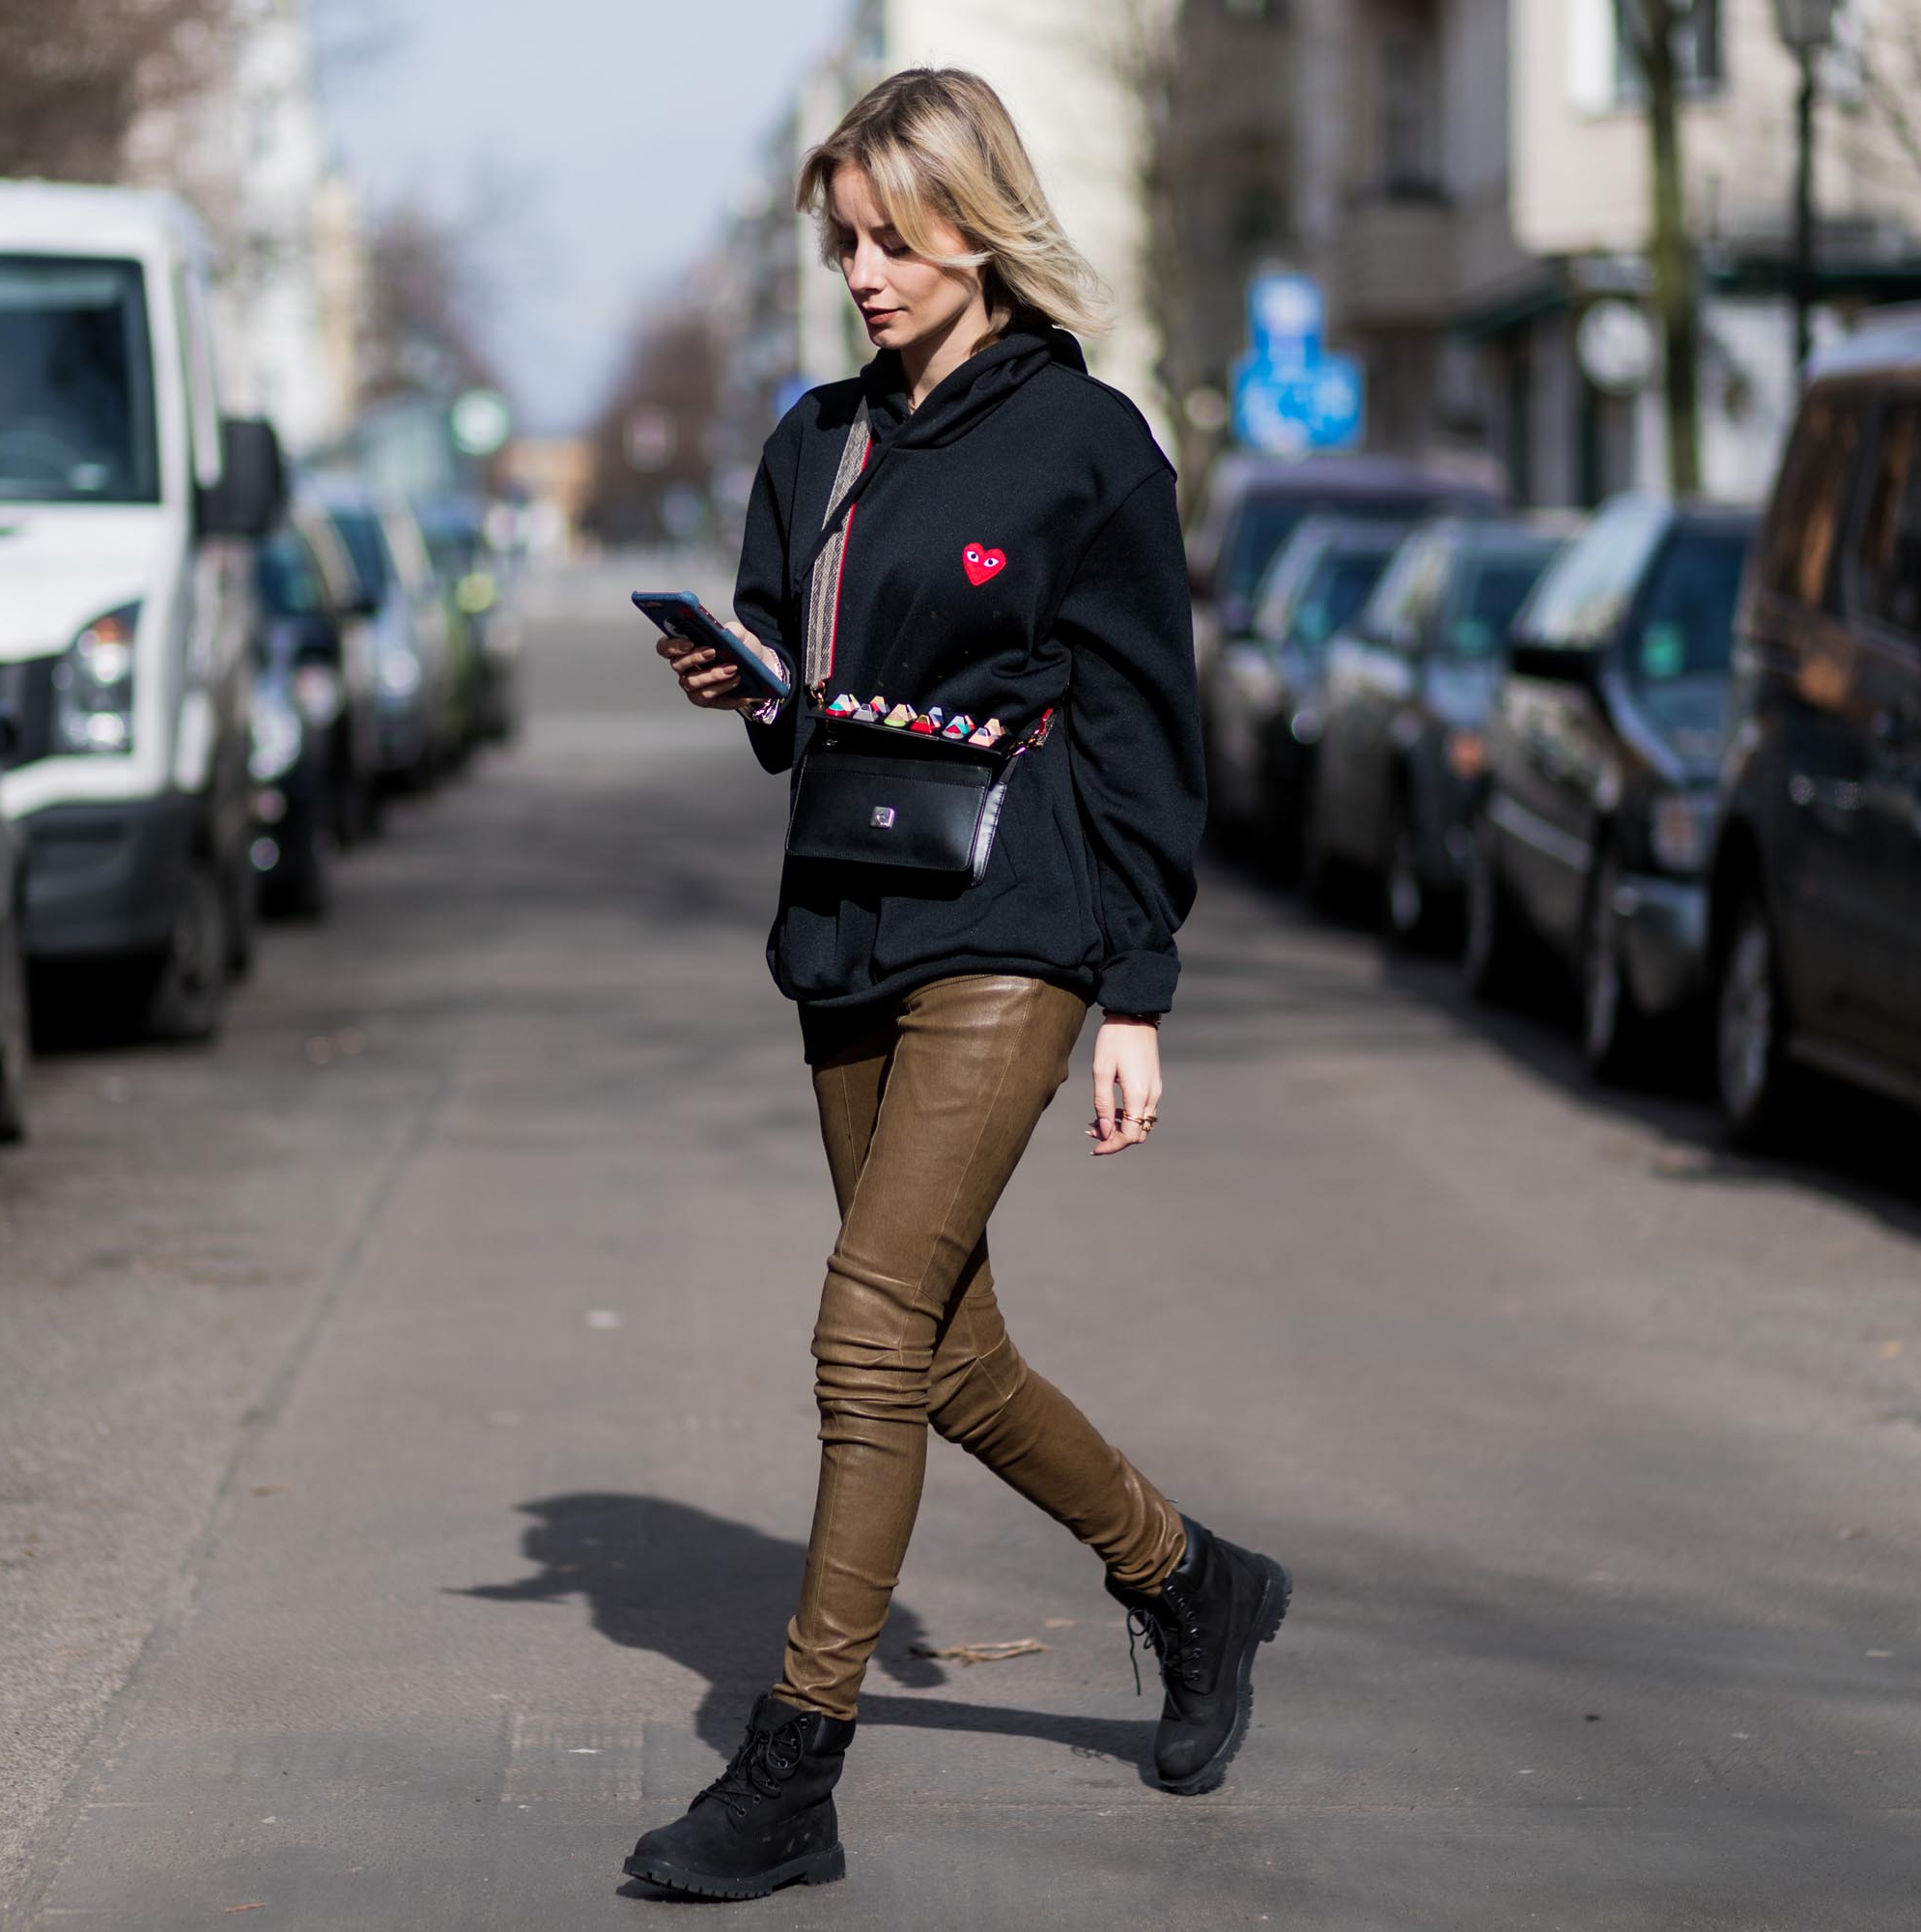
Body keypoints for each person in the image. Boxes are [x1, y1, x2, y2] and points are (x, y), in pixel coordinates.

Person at [625, 67, 1290, 1902]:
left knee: (862, 1336)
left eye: (893, 238)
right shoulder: (811, 445)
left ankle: (795, 1767)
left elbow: (1151, 732)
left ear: (973, 225)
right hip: (849, 913)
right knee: (950, 1350)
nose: (862, 271)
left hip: (1020, 922)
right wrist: (743, 683)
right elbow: (798, 705)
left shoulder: (1088, 446)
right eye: (842, 240)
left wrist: (1137, 986)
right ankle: (1191, 1582)